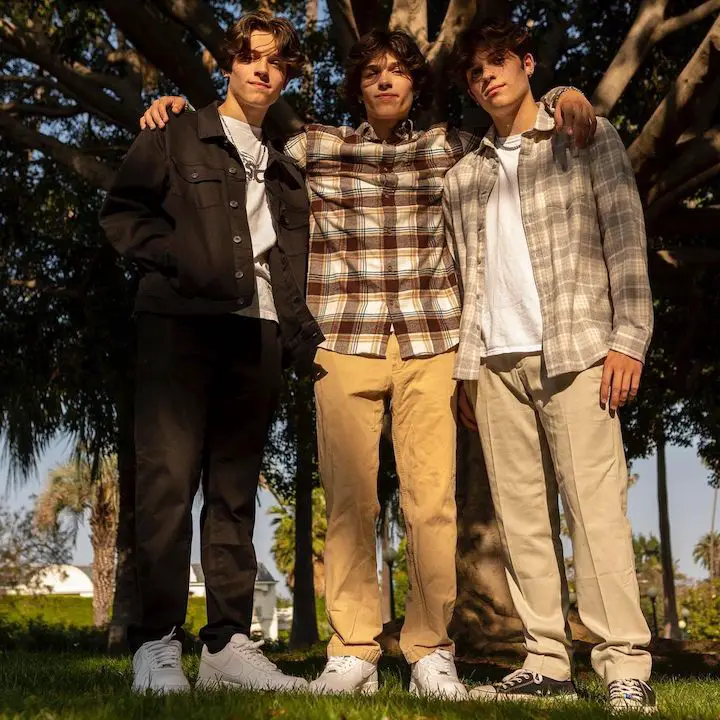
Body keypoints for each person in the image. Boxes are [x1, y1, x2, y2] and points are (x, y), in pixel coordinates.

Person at [141, 30, 595, 699]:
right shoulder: (316, 146)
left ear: (415, 84)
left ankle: (429, 652)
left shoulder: (449, 147)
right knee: (351, 504)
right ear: (359, 86)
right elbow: (236, 140)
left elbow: (516, 133)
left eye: (398, 72)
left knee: (431, 504)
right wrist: (176, 111)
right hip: (343, 342)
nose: (385, 81)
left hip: (431, 343)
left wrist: (562, 93)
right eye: (373, 73)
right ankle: (352, 651)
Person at [99, 11, 321, 694]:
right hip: (180, 323)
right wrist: (180, 262)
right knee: (167, 485)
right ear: (227, 63)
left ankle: (226, 647)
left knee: (233, 497)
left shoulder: (286, 164)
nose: (261, 69)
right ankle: (157, 645)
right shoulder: (174, 132)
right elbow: (123, 213)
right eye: (250, 57)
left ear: (286, 74)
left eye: (275, 62)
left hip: (255, 334)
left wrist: (290, 333)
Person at [444, 18, 656, 713]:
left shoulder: (582, 133)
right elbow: (461, 277)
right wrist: (465, 370)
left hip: (577, 350)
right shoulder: (463, 175)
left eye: (498, 62)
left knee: (596, 513)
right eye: (475, 73)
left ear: (527, 63)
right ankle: (545, 661)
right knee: (521, 519)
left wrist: (630, 338)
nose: (487, 78)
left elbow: (624, 236)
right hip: (495, 360)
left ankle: (624, 663)